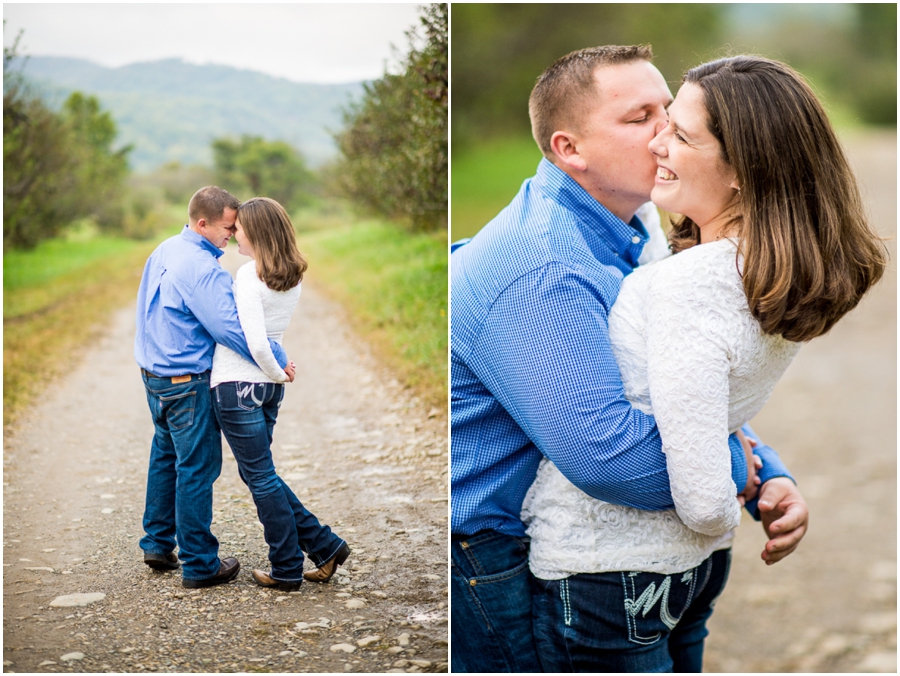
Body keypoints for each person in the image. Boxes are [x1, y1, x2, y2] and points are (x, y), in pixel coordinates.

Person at [450, 46, 809, 673]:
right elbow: (612, 459)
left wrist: (768, 470)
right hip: (485, 554)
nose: (667, 133)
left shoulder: (638, 219)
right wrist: (739, 466)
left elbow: (671, 382)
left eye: (669, 110)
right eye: (641, 117)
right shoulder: (543, 267)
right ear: (570, 150)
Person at [523, 54, 886, 672]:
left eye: (680, 133)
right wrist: (758, 476)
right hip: (692, 567)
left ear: (743, 169)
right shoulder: (773, 275)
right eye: (657, 119)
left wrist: (734, 487)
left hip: (608, 568)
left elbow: (700, 495)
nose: (658, 140)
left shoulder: (689, 287)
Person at [135, 186, 293, 588]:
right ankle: (201, 564)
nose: (232, 233)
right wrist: (277, 355)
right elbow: (231, 327)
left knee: (165, 454)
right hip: (187, 381)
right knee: (198, 467)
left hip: (154, 375)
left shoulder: (166, 248)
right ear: (202, 223)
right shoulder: (202, 269)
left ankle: (157, 541)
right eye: (228, 227)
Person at [210, 197, 350, 591]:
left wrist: (276, 370)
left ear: (257, 232)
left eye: (239, 228)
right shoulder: (291, 276)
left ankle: (286, 567)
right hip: (267, 390)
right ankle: (325, 545)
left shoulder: (247, 274)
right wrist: (276, 377)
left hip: (238, 386)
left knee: (260, 477)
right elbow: (270, 337)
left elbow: (256, 344)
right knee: (261, 474)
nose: (234, 232)